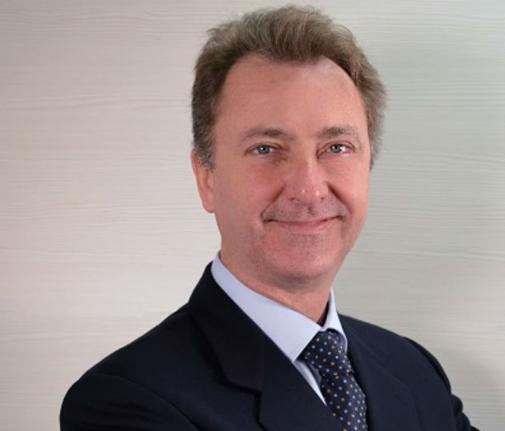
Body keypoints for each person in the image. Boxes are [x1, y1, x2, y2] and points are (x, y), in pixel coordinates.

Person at [60, 6, 478, 431]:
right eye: (265, 149)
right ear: (207, 178)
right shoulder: (125, 402)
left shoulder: (414, 371)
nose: (309, 189)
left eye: (336, 147)